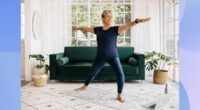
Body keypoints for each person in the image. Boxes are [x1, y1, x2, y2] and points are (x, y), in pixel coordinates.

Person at [73, 10, 150, 103]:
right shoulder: (98, 30)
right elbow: (87, 29)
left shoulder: (115, 29)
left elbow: (127, 25)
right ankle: (84, 87)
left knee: (120, 74)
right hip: (100, 56)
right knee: (93, 72)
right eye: (108, 16)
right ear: (103, 18)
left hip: (113, 55)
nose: (110, 18)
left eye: (111, 17)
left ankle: (119, 95)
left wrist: (137, 21)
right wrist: (78, 28)